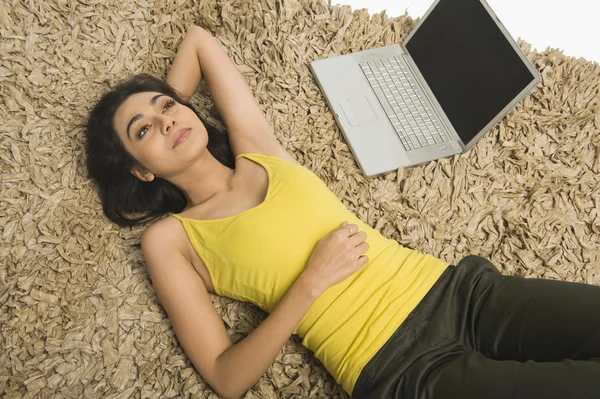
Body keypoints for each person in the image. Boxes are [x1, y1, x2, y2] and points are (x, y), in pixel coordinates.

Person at [85, 24, 600, 399]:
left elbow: (199, 41)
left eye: (167, 105)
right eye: (143, 131)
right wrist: (310, 283)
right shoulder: (171, 240)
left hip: (459, 292)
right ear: (139, 171)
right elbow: (226, 376)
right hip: (401, 368)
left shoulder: (257, 148)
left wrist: (153, 100)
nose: (166, 120)